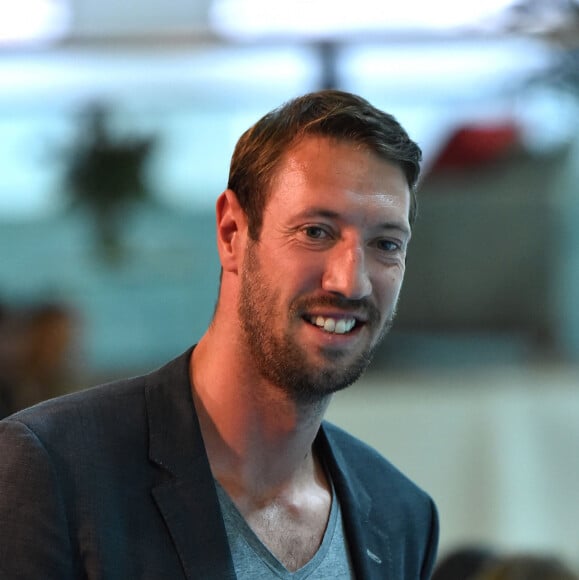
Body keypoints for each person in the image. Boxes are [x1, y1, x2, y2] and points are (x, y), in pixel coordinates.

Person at [0, 89, 438, 579]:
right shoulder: (57, 470)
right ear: (232, 232)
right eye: (316, 232)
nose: (350, 281)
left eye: (385, 244)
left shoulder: (401, 518)